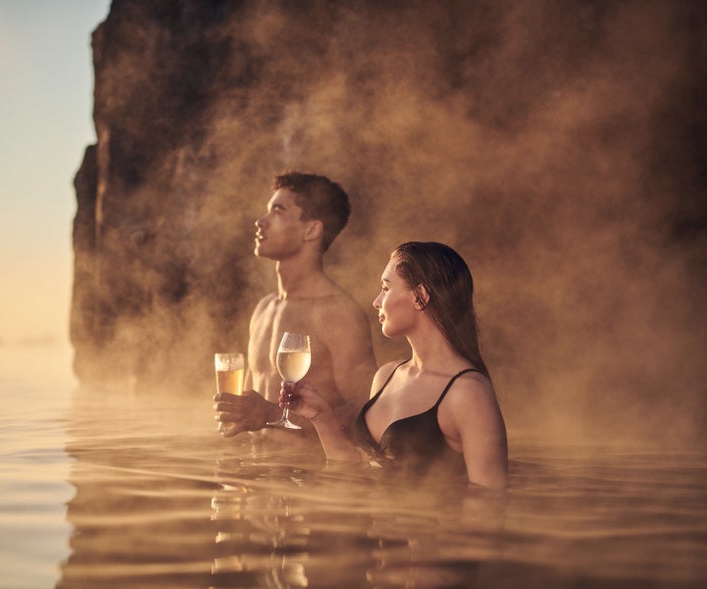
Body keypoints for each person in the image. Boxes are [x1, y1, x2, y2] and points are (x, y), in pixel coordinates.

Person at [279, 242, 508, 489]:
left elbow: (489, 501)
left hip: (428, 525)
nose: (377, 302)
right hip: (380, 523)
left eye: (386, 288)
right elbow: (360, 464)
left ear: (420, 296)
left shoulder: (469, 393)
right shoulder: (387, 375)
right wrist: (320, 416)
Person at [214, 171, 378, 442]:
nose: (260, 222)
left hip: (310, 476)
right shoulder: (264, 309)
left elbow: (368, 414)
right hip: (257, 471)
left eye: (277, 212)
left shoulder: (338, 313)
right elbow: (252, 413)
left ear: (311, 229)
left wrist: (271, 415)